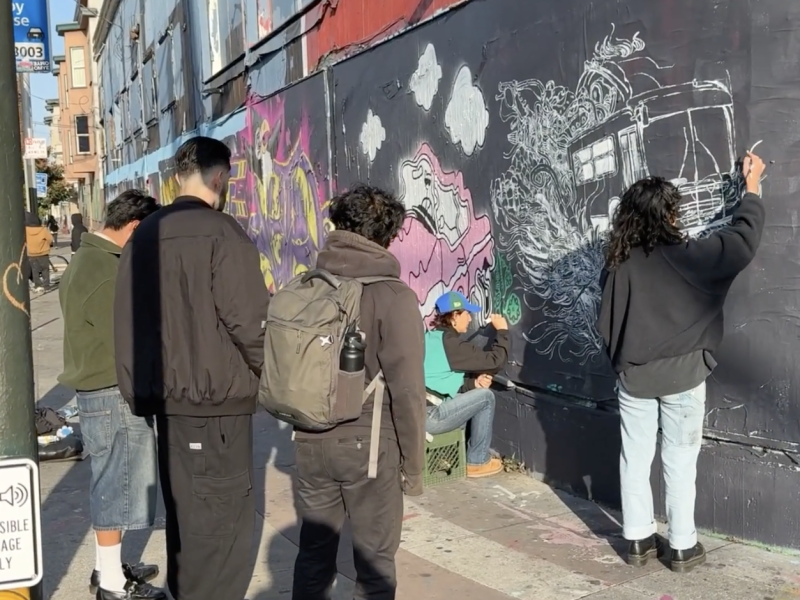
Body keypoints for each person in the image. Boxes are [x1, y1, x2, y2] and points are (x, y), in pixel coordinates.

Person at [114, 136, 270, 600]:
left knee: (187, 521)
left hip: (169, 405)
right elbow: (250, 324)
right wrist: (275, 380)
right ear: (219, 177)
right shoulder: (223, 234)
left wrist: (138, 393)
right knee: (221, 533)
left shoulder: (143, 235)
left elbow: (124, 322)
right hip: (217, 405)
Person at [597, 152, 767, 574]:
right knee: (679, 458)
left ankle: (637, 540)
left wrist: (621, 364)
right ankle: (681, 546)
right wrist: (752, 186)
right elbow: (744, 239)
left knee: (634, 457)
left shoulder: (619, 264)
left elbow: (606, 324)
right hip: (685, 374)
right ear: (670, 214)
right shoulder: (694, 255)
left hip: (634, 376)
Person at [292, 184, 427, 600]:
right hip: (369, 445)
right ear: (386, 236)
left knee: (314, 556)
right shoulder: (393, 296)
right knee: (374, 563)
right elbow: (407, 390)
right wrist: (415, 468)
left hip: (308, 440)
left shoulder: (307, 286)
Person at [58, 190, 164, 600]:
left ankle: (108, 568)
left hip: (101, 387)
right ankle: (112, 586)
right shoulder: (105, 269)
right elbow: (127, 339)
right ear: (135, 227)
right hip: (111, 389)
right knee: (116, 487)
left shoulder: (91, 259)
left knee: (115, 483)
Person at [424, 291, 509, 478]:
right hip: (430, 419)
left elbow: (436, 381)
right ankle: (477, 462)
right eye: (467, 313)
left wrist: (473, 384)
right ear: (455, 315)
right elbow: (495, 360)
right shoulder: (452, 345)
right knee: (486, 397)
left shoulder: (430, 338)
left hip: (416, 413)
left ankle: (456, 456)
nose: (470, 319)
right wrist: (502, 330)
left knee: (478, 394)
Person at [25, 211, 53, 293]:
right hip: (43, 253)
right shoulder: (43, 230)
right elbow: (50, 239)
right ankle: (46, 286)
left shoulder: (26, 230)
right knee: (45, 269)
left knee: (35, 270)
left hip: (31, 253)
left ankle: (38, 285)